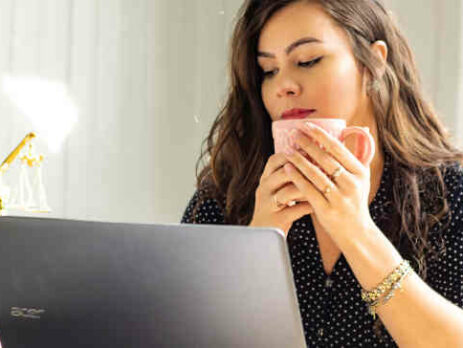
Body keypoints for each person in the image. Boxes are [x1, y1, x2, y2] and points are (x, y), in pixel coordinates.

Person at [181, 0, 463, 346]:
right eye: (268, 71)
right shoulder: (225, 194)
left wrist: (356, 232)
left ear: (373, 62)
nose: (284, 85)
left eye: (308, 61)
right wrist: (256, 246)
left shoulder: (451, 194)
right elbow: (183, 334)